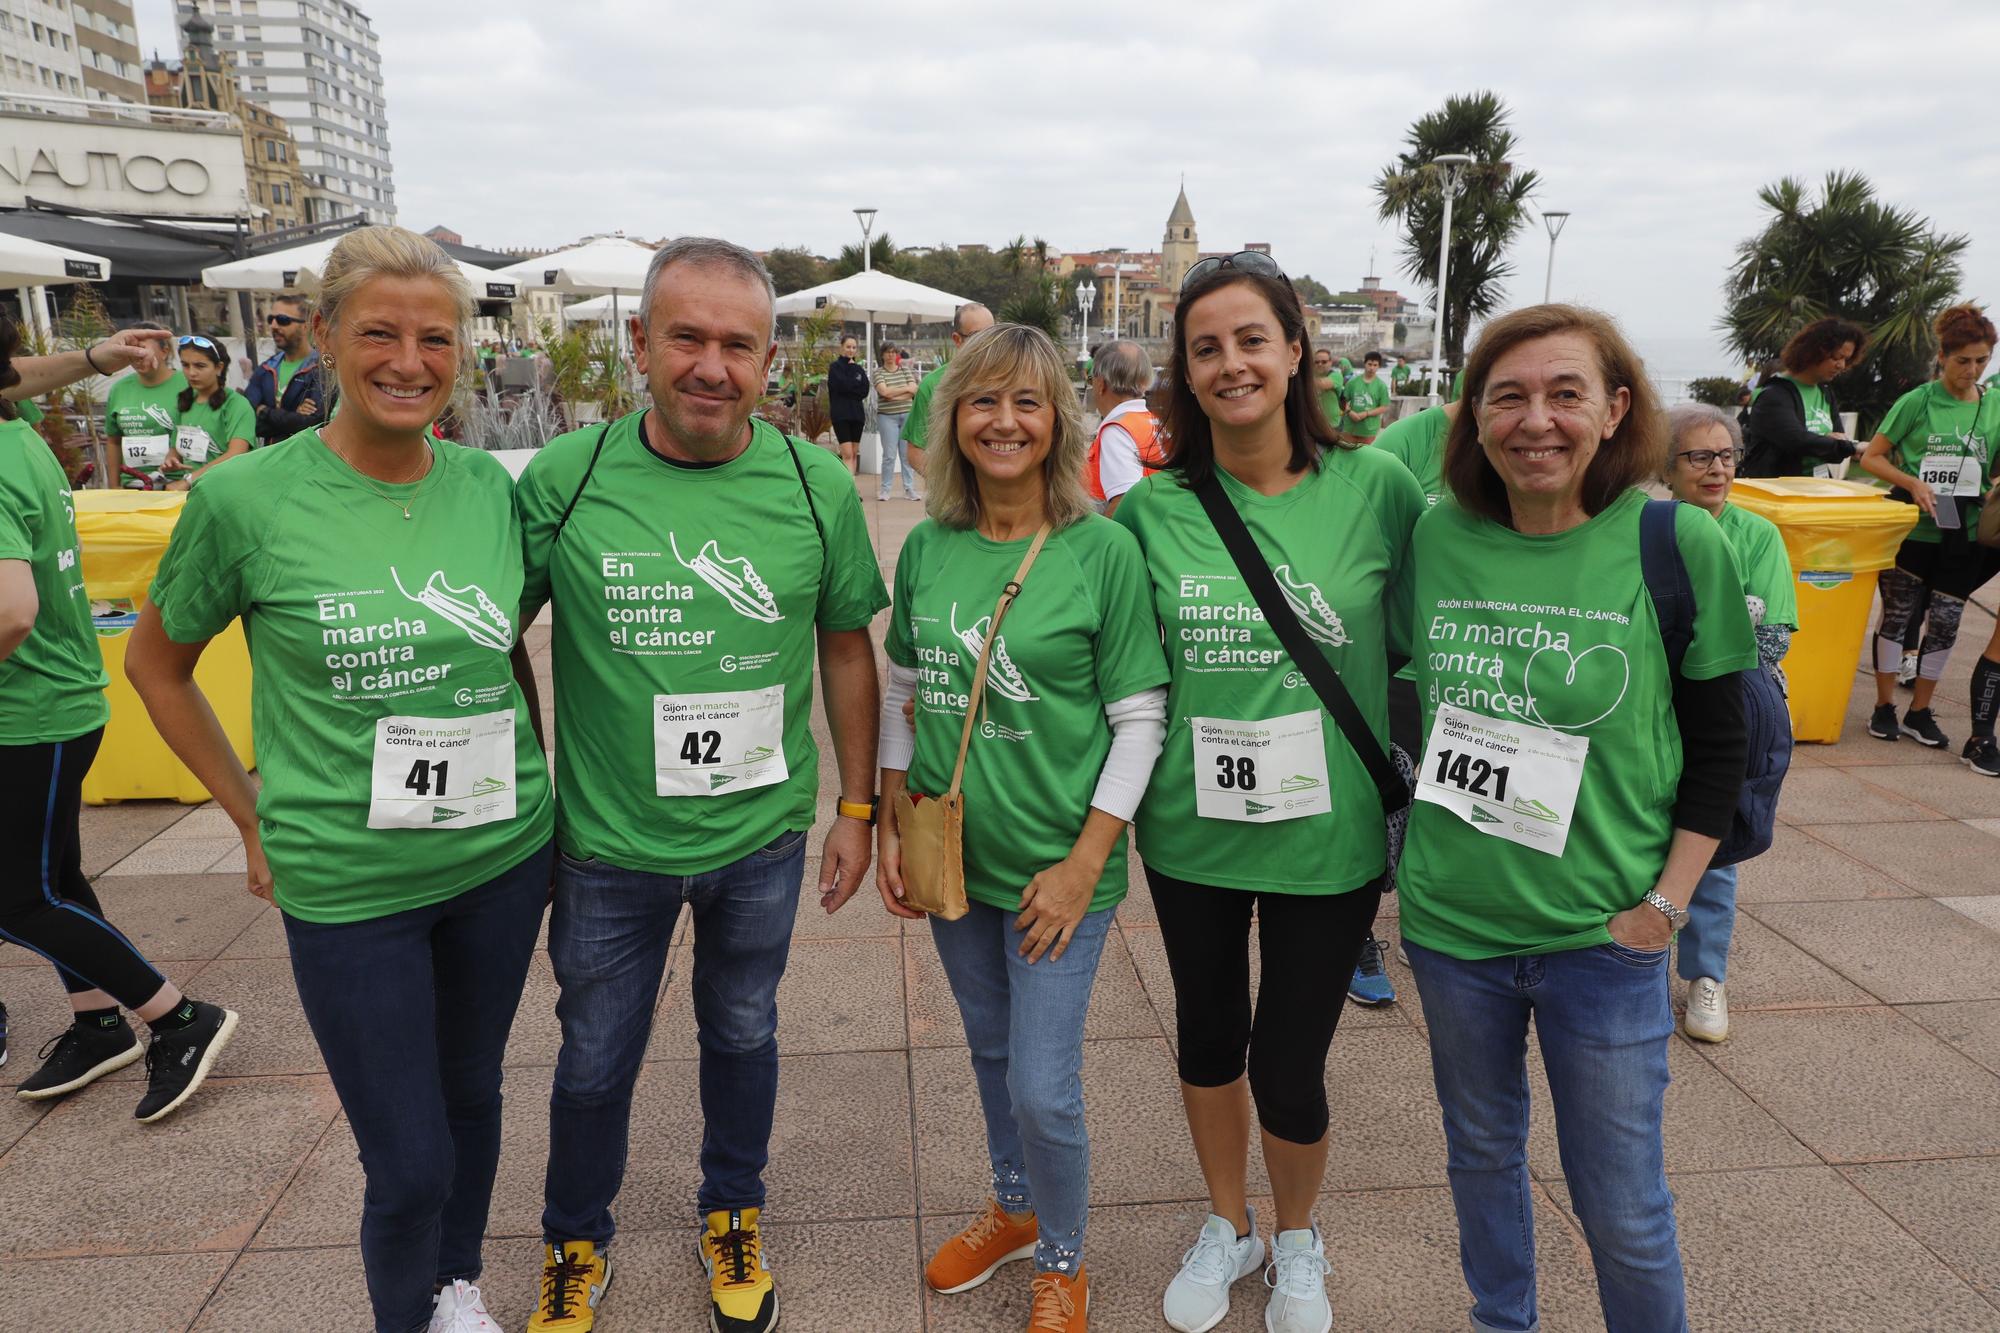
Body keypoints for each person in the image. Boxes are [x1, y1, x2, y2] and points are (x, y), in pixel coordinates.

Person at [128, 226, 554, 1333]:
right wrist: (247, 811)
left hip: (502, 861)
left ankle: (454, 1282)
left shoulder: (488, 491)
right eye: (379, 333)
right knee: (406, 1157)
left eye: (433, 338)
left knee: (473, 1093)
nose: (408, 360)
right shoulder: (245, 501)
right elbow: (156, 666)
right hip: (349, 881)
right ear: (321, 337)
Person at [515, 237, 887, 1333]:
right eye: (687, 337)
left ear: (770, 362)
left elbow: (846, 648)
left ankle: (733, 1210)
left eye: (737, 345)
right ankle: (575, 1239)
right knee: (591, 1058)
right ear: (640, 343)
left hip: (759, 840)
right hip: (605, 848)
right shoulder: (566, 476)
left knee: (742, 1032)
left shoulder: (814, 482)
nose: (711, 367)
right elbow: (492, 635)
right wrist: (525, 784)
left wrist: (856, 809)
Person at [1400, 304, 1756, 1333]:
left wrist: (1664, 909)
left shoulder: (1672, 539)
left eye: (1564, 393)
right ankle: (1498, 1319)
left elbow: (1718, 749)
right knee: (1477, 1156)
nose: (1534, 420)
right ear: (1472, 416)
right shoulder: (1436, 533)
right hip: (1452, 928)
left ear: (1614, 410)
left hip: (1603, 938)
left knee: (1622, 1203)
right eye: (1505, 395)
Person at [1114, 253, 1424, 1333]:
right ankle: (1225, 1220)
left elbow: (1447, 634)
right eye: (1206, 347)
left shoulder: (1377, 488)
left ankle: (1296, 1239)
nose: (1230, 362)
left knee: (1288, 1063)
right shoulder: (1148, 511)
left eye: (1252, 339)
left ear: (1297, 350)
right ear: (1185, 374)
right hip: (1189, 829)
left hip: (1327, 833)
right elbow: (1104, 665)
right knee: (1207, 1037)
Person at [878, 323, 1169, 1333]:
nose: (1003, 422)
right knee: (988, 1050)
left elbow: (1141, 720)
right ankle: (1010, 1205)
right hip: (953, 852)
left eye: (1027, 403)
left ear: (1058, 422)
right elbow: (905, 686)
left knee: (1044, 1085)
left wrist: (1086, 861)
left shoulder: (1101, 552)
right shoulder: (928, 546)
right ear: (953, 418)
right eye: (982, 401)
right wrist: (886, 814)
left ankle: (1064, 1251)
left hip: (1058, 868)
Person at [0, 315, 240, 1124]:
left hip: (26, 710)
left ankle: (177, 1016)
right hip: (58, 700)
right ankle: (97, 1019)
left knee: (17, 898)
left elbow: (9, 614)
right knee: (54, 879)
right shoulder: (17, 428)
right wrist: (96, 358)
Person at [1661, 403, 1797, 1042]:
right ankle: (1633, 961)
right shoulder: (1645, 530)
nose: (1717, 469)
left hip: (1729, 715)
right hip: (1651, 709)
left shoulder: (1757, 534)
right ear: (1666, 466)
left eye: (1726, 456)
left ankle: (1705, 977)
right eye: (1699, 457)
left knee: (1714, 841)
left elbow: (1768, 643)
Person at [1857, 303, 2000, 761]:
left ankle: (1920, 710)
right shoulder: (1917, 401)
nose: (1972, 370)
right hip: (1913, 531)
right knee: (1898, 618)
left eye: (1982, 360)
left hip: (1965, 534)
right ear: (1942, 356)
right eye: (1963, 361)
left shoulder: (1994, 405)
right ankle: (1883, 706)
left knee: (1945, 626)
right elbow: (1872, 457)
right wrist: (1913, 482)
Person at [1739, 317, 1866, 478]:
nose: (1841, 365)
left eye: (1846, 360)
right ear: (1812, 352)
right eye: (1836, 357)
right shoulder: (1774, 395)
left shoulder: (1825, 391)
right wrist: (1851, 446)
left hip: (1816, 486)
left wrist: (1832, 444)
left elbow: (1834, 448)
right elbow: (1797, 440)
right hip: (1780, 493)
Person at [905, 302, 995, 475]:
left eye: (991, 335)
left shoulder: (1009, 379)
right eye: (977, 336)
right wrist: (951, 486)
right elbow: (916, 452)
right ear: (957, 340)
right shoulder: (933, 385)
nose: (987, 343)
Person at [162, 335, 256, 490]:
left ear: (219, 367)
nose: (191, 373)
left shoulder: (236, 405)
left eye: (200, 366)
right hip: (191, 492)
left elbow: (236, 454)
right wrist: (171, 460)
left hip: (228, 490)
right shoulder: (184, 401)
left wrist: (190, 480)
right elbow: (176, 449)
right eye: (185, 365)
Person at [1081, 339, 1163, 516]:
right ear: (1144, 382)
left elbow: (1125, 502)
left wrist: (1100, 542)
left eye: (1091, 379)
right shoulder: (1155, 423)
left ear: (1101, 384)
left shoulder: (1117, 431)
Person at [102, 320, 187, 486]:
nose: (137, 356)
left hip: (177, 484)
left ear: (164, 351)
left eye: (142, 349)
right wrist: (113, 487)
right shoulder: (119, 389)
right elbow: (113, 441)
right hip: (133, 484)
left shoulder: (188, 384)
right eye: (131, 351)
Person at [243, 293, 326, 445]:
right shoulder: (266, 369)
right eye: (271, 319)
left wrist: (263, 410)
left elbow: (311, 424)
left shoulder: (322, 369)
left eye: (283, 320)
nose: (274, 326)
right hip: (268, 458)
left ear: (306, 325)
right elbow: (247, 419)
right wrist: (292, 415)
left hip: (303, 459)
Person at [872, 342, 921, 501]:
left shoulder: (905, 370)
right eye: (888, 352)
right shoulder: (878, 373)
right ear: (883, 354)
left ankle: (909, 488)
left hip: (907, 415)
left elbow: (914, 389)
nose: (891, 355)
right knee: (889, 455)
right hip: (887, 417)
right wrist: (903, 391)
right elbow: (884, 392)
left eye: (893, 352)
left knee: (906, 455)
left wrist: (894, 395)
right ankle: (885, 489)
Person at [826, 333, 870, 473]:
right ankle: (848, 486)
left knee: (854, 453)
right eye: (848, 347)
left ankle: (854, 485)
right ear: (842, 347)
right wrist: (853, 385)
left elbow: (864, 390)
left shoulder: (859, 369)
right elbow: (840, 385)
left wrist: (850, 387)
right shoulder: (835, 367)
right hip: (841, 415)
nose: (851, 350)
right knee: (847, 454)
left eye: (854, 347)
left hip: (857, 415)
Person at [1339, 350, 1392, 446]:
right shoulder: (1353, 382)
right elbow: (1343, 400)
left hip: (1369, 430)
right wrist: (1349, 412)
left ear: (1379, 366)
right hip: (1350, 428)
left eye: (1375, 365)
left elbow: (1384, 406)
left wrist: (1366, 414)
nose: (1371, 368)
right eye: (1369, 364)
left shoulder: (1381, 386)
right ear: (1365, 363)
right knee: (1346, 454)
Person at [1310, 347, 1343, 428]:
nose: (1320, 364)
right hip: (1313, 424)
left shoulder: (1336, 375)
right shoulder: (1311, 376)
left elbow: (1323, 384)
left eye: (1324, 362)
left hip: (1332, 425)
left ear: (1330, 362)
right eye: (1316, 362)